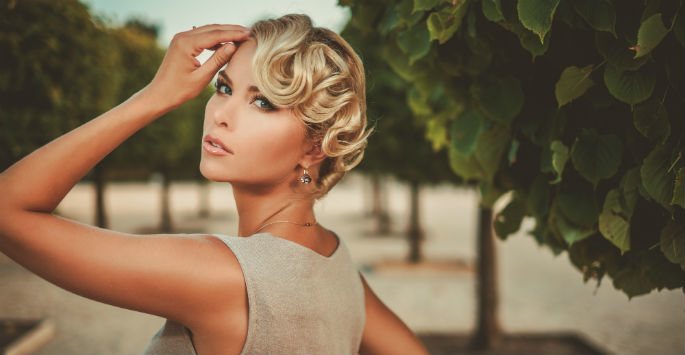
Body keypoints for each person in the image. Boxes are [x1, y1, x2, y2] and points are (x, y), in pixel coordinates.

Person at [0, 13, 429, 355]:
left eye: (263, 102)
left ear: (316, 147)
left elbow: (7, 211)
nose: (221, 113)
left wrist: (154, 97)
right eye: (223, 87)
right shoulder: (335, 261)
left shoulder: (224, 275)